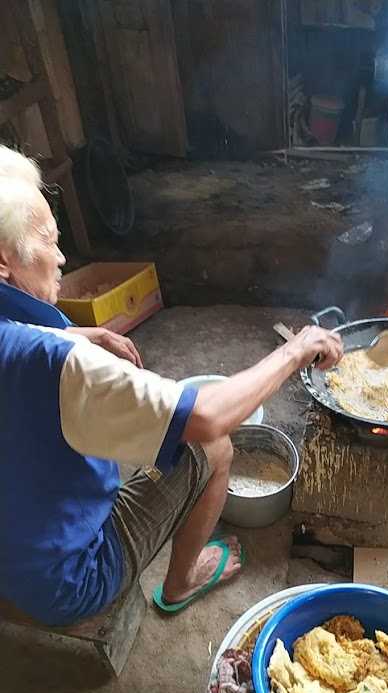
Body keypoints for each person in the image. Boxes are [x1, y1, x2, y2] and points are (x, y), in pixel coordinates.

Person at [0, 146, 342, 626]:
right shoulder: (60, 363)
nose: (61, 258)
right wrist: (295, 349)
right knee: (215, 445)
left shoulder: (42, 342)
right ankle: (181, 581)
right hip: (66, 578)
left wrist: (80, 332)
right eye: (49, 241)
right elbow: (206, 417)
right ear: (3, 261)